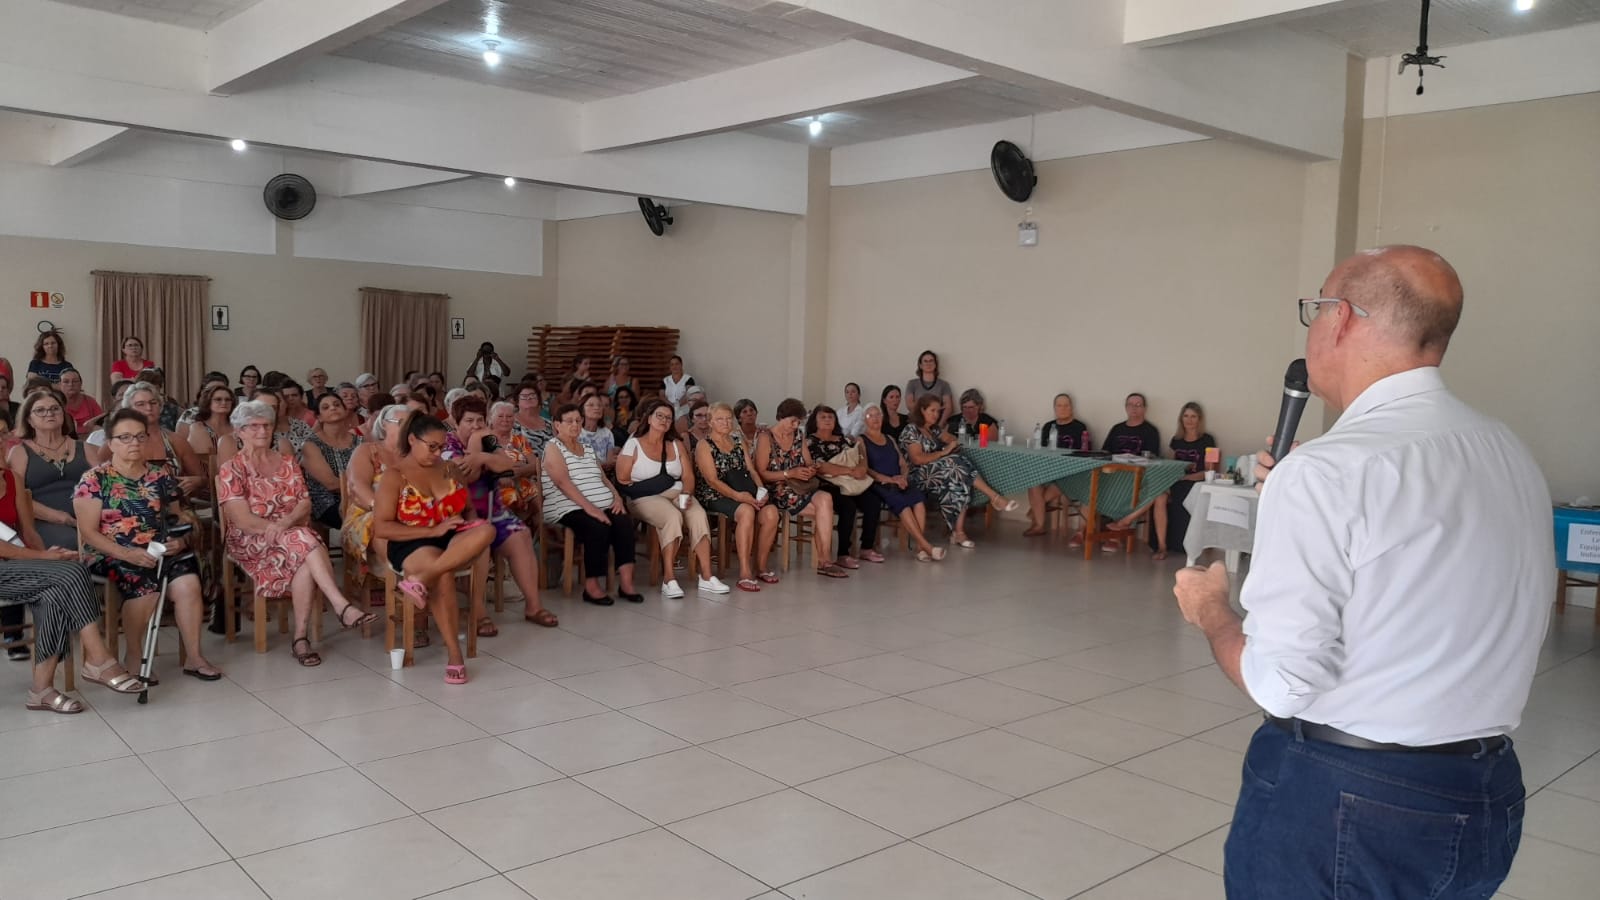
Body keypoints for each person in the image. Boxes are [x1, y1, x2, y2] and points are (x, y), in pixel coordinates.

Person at [1174, 246, 1548, 900]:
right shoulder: (1507, 450)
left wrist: (1212, 611)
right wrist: (1297, 496)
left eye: (1314, 310)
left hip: (1349, 800)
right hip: (1485, 793)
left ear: (1340, 317)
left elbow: (1282, 684)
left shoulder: (1327, 472)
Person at [218, 401, 377, 666]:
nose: (262, 431)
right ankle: (339, 607)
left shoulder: (287, 462)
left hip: (291, 533)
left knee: (304, 553)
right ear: (239, 431)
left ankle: (301, 638)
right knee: (306, 540)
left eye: (266, 425)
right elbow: (242, 520)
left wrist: (284, 524)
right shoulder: (231, 469)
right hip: (250, 539)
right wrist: (280, 528)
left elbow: (304, 503)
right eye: (254, 426)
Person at [74, 409, 222, 681]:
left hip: (158, 548)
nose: (134, 443)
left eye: (140, 436)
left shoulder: (160, 476)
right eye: (125, 437)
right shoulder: (94, 479)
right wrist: (127, 553)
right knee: (146, 587)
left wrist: (180, 540)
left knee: (188, 583)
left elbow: (178, 516)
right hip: (110, 552)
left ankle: (194, 657)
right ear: (110, 442)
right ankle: (134, 655)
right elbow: (88, 532)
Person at [2, 470, 146, 712]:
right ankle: (98, 659)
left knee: (54, 592)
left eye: (3, 447)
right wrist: (44, 558)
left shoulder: (11, 477)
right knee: (73, 573)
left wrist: (50, 557)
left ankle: (41, 690)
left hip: (19, 564)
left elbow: (29, 533)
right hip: (6, 566)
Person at [373, 413, 495, 684]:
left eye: (441, 447)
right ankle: (455, 655)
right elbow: (381, 527)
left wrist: (469, 524)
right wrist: (431, 531)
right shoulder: (394, 476)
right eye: (432, 447)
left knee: (487, 529)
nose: (438, 453)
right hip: (411, 540)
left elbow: (469, 509)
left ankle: (420, 579)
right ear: (412, 440)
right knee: (444, 576)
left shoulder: (450, 469)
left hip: (451, 535)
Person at [444, 395, 555, 632]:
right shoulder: (448, 445)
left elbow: (507, 465)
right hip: (460, 516)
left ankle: (533, 606)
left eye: (480, 421)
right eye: (469, 421)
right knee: (481, 544)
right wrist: (478, 447)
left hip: (493, 511)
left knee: (522, 535)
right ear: (456, 423)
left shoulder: (489, 439)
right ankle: (478, 612)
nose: (476, 426)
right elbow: (469, 476)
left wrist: (482, 455)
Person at [616, 399, 727, 597]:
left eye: (668, 418)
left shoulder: (676, 444)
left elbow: (688, 476)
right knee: (672, 516)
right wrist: (653, 485)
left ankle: (707, 576)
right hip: (644, 496)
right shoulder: (634, 443)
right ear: (649, 419)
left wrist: (687, 493)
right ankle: (669, 578)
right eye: (659, 416)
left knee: (698, 515)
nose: (664, 420)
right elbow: (622, 479)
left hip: (676, 492)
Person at [543, 403, 641, 606]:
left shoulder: (587, 448)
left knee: (623, 521)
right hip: (566, 507)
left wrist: (616, 498)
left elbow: (603, 479)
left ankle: (626, 583)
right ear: (557, 425)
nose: (575, 425)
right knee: (597, 526)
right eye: (569, 421)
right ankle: (592, 586)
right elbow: (562, 482)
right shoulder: (553, 447)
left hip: (599, 505)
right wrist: (590, 508)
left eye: (578, 421)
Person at [900, 394, 1015, 548]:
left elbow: (953, 439)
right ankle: (995, 497)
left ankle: (958, 533)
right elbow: (917, 459)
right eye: (932, 410)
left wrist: (952, 444)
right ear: (922, 410)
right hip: (917, 476)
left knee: (960, 481)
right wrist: (943, 452)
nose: (936, 415)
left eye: (938, 411)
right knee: (955, 463)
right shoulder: (911, 430)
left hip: (940, 474)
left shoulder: (934, 429)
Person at [756, 398, 846, 578]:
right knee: (824, 512)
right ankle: (825, 561)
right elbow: (762, 473)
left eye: (798, 422)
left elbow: (809, 462)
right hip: (777, 489)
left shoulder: (798, 435)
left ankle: (825, 559)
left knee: (825, 499)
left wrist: (810, 470)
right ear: (781, 417)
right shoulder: (766, 437)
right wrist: (790, 473)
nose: (795, 425)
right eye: (793, 421)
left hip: (799, 486)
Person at [695, 402, 780, 591]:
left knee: (771, 513)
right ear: (710, 422)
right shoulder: (704, 445)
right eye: (720, 419)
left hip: (743, 490)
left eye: (728, 419)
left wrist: (761, 490)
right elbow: (712, 480)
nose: (725, 423)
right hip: (715, 494)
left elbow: (751, 470)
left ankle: (761, 566)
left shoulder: (737, 440)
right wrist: (738, 496)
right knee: (746, 511)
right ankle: (745, 572)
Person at [861, 404, 943, 562]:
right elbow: (866, 469)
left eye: (878, 415)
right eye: (870, 416)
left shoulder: (890, 438)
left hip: (899, 480)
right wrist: (890, 479)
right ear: (864, 420)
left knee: (919, 500)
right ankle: (926, 546)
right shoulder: (861, 440)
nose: (875, 418)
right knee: (902, 503)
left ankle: (920, 549)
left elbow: (903, 463)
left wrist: (903, 477)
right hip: (879, 483)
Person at [807, 404, 882, 567]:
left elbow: (859, 454)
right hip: (828, 485)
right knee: (848, 506)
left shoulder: (844, 439)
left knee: (873, 502)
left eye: (831, 417)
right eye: (823, 417)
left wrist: (861, 468)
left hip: (852, 482)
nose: (827, 420)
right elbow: (821, 467)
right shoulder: (810, 442)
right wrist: (849, 471)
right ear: (815, 421)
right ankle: (843, 554)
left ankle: (866, 548)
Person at [122, 382, 207, 498]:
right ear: (129, 410)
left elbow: (202, 479)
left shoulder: (176, 441)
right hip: (133, 505)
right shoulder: (120, 441)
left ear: (160, 406)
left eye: (153, 403)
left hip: (175, 505)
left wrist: (196, 482)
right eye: (140, 404)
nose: (149, 408)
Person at [1026, 393, 1091, 537]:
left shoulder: (1079, 427)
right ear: (1054, 408)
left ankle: (1036, 510)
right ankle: (1039, 526)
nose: (1063, 408)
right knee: (1033, 482)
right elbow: (1041, 450)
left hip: (1070, 470)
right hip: (1049, 468)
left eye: (1066, 405)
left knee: (1061, 482)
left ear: (1071, 408)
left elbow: (1084, 451)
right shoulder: (1048, 426)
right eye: (1059, 405)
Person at [1160, 402, 1217, 557]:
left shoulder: (1208, 440)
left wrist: (1187, 477)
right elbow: (1170, 464)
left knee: (1185, 494)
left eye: (1193, 416)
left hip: (1197, 482)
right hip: (1177, 481)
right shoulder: (1176, 440)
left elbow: (1210, 470)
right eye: (1186, 416)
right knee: (1161, 496)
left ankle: (1189, 543)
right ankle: (1164, 545)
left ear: (1199, 419)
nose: (1189, 420)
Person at [300, 392, 359, 530]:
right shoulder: (311, 444)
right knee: (372, 515)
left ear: (345, 410)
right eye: (326, 407)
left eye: (337, 405)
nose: (333, 408)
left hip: (359, 496)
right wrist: (365, 491)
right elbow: (331, 484)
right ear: (319, 417)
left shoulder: (360, 441)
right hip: (327, 502)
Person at [486, 401, 541, 524]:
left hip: (525, 483)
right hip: (498, 485)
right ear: (491, 418)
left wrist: (521, 471)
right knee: (511, 496)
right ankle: (515, 527)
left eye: (509, 416)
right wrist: (504, 474)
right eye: (500, 416)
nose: (505, 420)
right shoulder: (485, 439)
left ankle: (540, 532)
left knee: (540, 500)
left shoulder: (520, 440)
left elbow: (535, 465)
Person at [83, 380, 133, 466]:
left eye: (130, 394)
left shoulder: (140, 437)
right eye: (122, 395)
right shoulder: (97, 435)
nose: (126, 398)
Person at [186, 383, 237, 460]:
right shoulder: (198, 427)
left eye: (227, 400)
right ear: (208, 402)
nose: (224, 402)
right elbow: (208, 459)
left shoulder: (238, 427)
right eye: (218, 399)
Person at [905, 350, 955, 423]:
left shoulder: (944, 385)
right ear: (920, 365)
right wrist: (923, 422)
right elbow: (910, 404)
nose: (928, 364)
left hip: (937, 423)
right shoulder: (912, 384)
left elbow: (948, 407)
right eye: (925, 361)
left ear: (935, 364)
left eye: (931, 361)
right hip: (917, 423)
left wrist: (940, 425)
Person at [578, 393, 617, 469]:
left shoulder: (607, 433)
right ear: (582, 410)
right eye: (591, 405)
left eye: (599, 405)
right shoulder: (575, 432)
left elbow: (609, 462)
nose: (596, 408)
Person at [58, 369, 102, 434]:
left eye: (75, 381)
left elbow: (102, 422)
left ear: (81, 383)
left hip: (89, 437)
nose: (71, 384)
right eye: (66, 382)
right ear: (60, 385)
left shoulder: (90, 401)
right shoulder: (56, 403)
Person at [512, 382, 550, 454]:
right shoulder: (510, 422)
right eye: (524, 396)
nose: (529, 398)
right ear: (517, 401)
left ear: (538, 399)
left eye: (532, 395)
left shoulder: (549, 424)